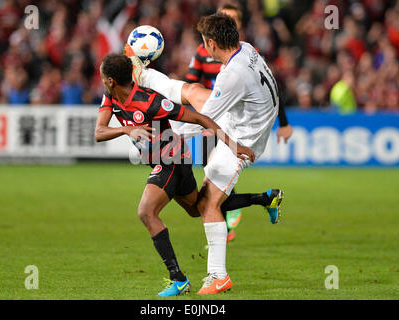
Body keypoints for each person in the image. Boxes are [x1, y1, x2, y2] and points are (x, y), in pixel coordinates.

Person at [95, 53, 282, 297]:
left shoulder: (150, 101)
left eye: (101, 76)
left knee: (146, 212)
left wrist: (235, 147)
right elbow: (99, 132)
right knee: (199, 208)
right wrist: (127, 129)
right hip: (168, 161)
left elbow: (201, 118)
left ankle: (178, 278)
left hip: (171, 160)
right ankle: (266, 198)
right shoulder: (110, 96)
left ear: (110, 80)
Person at [185, 3, 293, 242]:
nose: (203, 46)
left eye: (204, 41)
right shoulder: (246, 49)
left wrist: (166, 134)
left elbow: (204, 119)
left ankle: (218, 273)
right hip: (234, 121)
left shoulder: (232, 74)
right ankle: (266, 199)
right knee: (206, 195)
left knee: (204, 203)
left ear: (212, 43)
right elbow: (273, 85)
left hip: (241, 136)